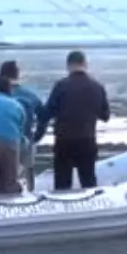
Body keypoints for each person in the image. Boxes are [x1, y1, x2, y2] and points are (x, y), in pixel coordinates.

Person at [34, 50, 111, 191]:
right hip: (87, 139)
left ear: (68, 65)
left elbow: (46, 114)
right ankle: (93, 208)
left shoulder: (61, 86)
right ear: (85, 64)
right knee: (88, 181)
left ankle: (64, 210)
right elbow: (105, 116)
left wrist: (36, 132)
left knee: (63, 184)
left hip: (64, 141)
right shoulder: (97, 87)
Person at [0, 60, 46, 191]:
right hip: (25, 140)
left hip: (2, 141)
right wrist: (37, 136)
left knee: (3, 174)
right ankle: (30, 195)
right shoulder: (30, 96)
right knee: (28, 171)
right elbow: (44, 117)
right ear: (17, 76)